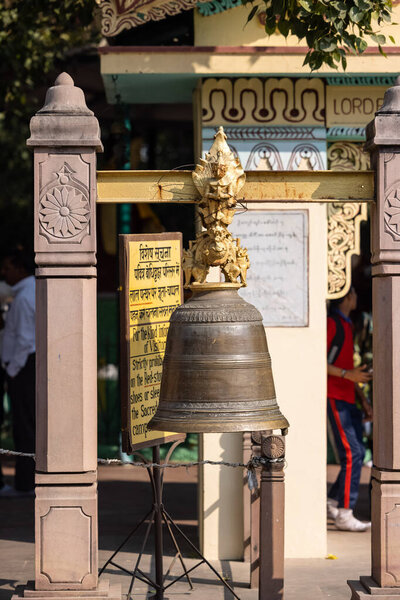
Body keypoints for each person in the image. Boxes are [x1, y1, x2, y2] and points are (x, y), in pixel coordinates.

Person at [327, 286, 372, 532]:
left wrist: (363, 400)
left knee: (357, 452)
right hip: (334, 395)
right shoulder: (332, 324)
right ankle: (344, 511)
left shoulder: (345, 324)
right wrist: (347, 374)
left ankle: (335, 501)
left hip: (347, 396)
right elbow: (319, 361)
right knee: (352, 453)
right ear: (347, 297)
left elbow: (348, 370)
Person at [0, 249, 35, 496]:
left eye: (8, 268)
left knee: (24, 426)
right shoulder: (29, 292)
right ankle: (27, 482)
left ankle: (25, 484)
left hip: (22, 368)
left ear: (20, 269)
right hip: (24, 367)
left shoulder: (23, 298)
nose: (5, 273)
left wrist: (11, 371)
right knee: (28, 424)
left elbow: (24, 341)